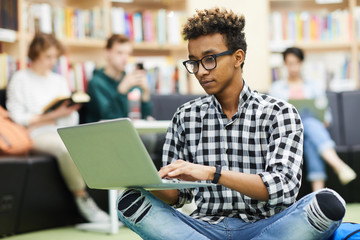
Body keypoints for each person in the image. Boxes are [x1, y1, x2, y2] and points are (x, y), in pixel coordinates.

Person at [116, 7, 346, 240]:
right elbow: (179, 195)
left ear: (238, 57)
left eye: (209, 59)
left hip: (268, 225)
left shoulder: (279, 112)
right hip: (205, 227)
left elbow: (283, 188)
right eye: (194, 62)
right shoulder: (185, 116)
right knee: (129, 201)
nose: (200, 72)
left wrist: (213, 173)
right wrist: (147, 180)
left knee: (327, 203)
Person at [6, 33, 110, 223]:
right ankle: (82, 198)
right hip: (35, 135)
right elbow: (18, 118)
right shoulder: (20, 79)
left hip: (61, 131)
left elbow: (71, 118)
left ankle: (116, 198)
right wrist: (51, 117)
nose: (52, 62)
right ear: (35, 55)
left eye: (55, 57)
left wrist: (60, 114)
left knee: (98, 142)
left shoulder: (58, 80)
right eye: (48, 57)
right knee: (65, 148)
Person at [269, 47, 357, 191]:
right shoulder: (277, 88)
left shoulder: (314, 85)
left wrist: (324, 119)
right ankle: (338, 165)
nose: (293, 67)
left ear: (301, 63)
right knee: (307, 124)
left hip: (311, 131)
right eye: (290, 63)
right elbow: (276, 115)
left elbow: (325, 112)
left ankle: (318, 195)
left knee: (310, 137)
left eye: (296, 63)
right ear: (285, 65)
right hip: (290, 133)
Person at [85, 34, 152, 123]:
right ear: (107, 53)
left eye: (128, 53)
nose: (125, 58)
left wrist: (145, 94)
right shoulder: (96, 83)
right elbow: (109, 118)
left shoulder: (129, 80)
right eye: (119, 53)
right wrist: (121, 91)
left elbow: (143, 117)